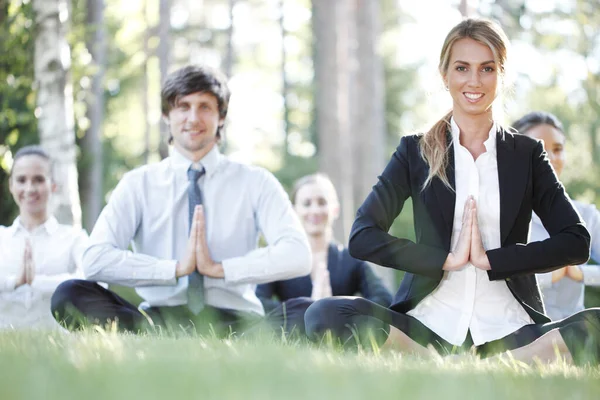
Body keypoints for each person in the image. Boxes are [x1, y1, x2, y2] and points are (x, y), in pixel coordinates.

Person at [303, 18, 600, 366]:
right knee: (323, 314)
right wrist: (445, 261)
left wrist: (494, 260)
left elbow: (576, 241)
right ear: (445, 75)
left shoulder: (528, 154)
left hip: (511, 325)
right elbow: (362, 236)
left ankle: (500, 364)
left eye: (487, 68)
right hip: (427, 324)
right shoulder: (414, 152)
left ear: (501, 76)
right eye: (462, 68)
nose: (474, 81)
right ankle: (437, 364)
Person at [51, 65, 311, 335]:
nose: (193, 118)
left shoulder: (256, 182)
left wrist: (221, 269)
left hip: (239, 321)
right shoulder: (138, 183)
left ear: (221, 116)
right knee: (69, 294)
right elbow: (95, 259)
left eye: (205, 107)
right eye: (183, 106)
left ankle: (239, 340)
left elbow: (298, 255)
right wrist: (173, 269)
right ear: (166, 115)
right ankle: (153, 337)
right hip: (158, 320)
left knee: (310, 311)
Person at [256, 173, 392, 335]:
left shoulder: (351, 259)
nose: (315, 210)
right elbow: (258, 302)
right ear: (294, 211)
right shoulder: (280, 258)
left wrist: (337, 308)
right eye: (307, 204)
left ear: (335, 209)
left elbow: (384, 299)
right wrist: (307, 308)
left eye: (322, 202)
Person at [512, 111, 600, 320]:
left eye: (558, 149)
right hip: (518, 330)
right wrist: (551, 272)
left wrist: (581, 273)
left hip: (575, 331)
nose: (549, 158)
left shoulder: (587, 215)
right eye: (538, 149)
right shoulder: (503, 216)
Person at [0, 146, 88, 329]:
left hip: (56, 351)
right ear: (11, 185)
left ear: (53, 185)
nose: (29, 188)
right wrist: (13, 282)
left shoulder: (74, 238)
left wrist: (37, 282)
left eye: (38, 180)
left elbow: (93, 282)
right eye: (21, 180)